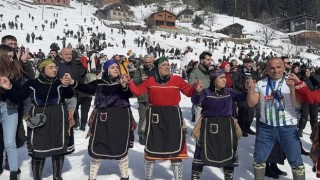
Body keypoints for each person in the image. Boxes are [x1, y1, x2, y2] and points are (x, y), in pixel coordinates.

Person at [124, 57, 202, 180]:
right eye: (164, 65)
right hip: (155, 118)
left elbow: (188, 92)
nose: (167, 67)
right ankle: (148, 178)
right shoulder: (150, 80)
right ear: (157, 68)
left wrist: (195, 89)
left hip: (174, 117)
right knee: (152, 148)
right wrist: (130, 82)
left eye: (168, 65)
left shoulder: (177, 79)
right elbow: (138, 92)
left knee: (176, 149)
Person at [0, 58, 75, 180]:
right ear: (42, 70)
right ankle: (37, 177)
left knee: (59, 148)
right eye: (50, 67)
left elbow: (69, 95)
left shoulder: (59, 82)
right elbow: (18, 96)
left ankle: (57, 176)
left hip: (58, 118)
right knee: (38, 148)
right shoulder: (32, 84)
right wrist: (9, 88)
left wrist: (66, 86)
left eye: (55, 67)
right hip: (39, 118)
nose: (54, 69)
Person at [66, 60, 133, 180]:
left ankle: (124, 175)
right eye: (113, 68)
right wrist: (72, 82)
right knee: (98, 144)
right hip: (103, 118)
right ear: (107, 70)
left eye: (117, 67)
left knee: (120, 145)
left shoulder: (122, 81)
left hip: (121, 118)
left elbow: (128, 94)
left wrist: (124, 85)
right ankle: (92, 176)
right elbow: (86, 88)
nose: (116, 69)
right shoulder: (100, 83)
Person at [246, 57, 305, 180]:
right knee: (259, 159)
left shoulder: (290, 82)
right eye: (272, 67)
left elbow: (297, 104)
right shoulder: (261, 84)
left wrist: (293, 89)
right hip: (266, 127)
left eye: (278, 67)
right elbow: (251, 103)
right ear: (267, 70)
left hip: (288, 127)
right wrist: (250, 89)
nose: (275, 70)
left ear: (283, 68)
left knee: (296, 160)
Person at [190, 69, 246, 180]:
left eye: (224, 77)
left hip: (226, 126)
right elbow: (195, 101)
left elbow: (242, 97)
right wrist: (197, 92)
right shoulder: (206, 92)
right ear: (214, 80)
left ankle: (228, 176)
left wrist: (248, 89)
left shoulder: (229, 92)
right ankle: (195, 176)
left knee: (229, 150)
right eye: (221, 78)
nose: (224, 79)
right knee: (201, 151)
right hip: (208, 127)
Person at [0, 44, 23, 179]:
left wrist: (9, 87)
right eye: (8, 57)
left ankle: (13, 173)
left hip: (10, 107)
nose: (11, 59)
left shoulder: (15, 69)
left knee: (10, 142)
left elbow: (21, 90)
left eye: (12, 57)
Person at [132, 54, 156, 145]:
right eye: (146, 62)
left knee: (155, 117)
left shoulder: (157, 70)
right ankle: (142, 135)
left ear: (152, 61)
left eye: (149, 62)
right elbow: (134, 81)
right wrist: (141, 79)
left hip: (156, 97)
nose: (148, 64)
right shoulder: (139, 70)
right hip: (143, 97)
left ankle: (153, 134)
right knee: (143, 117)